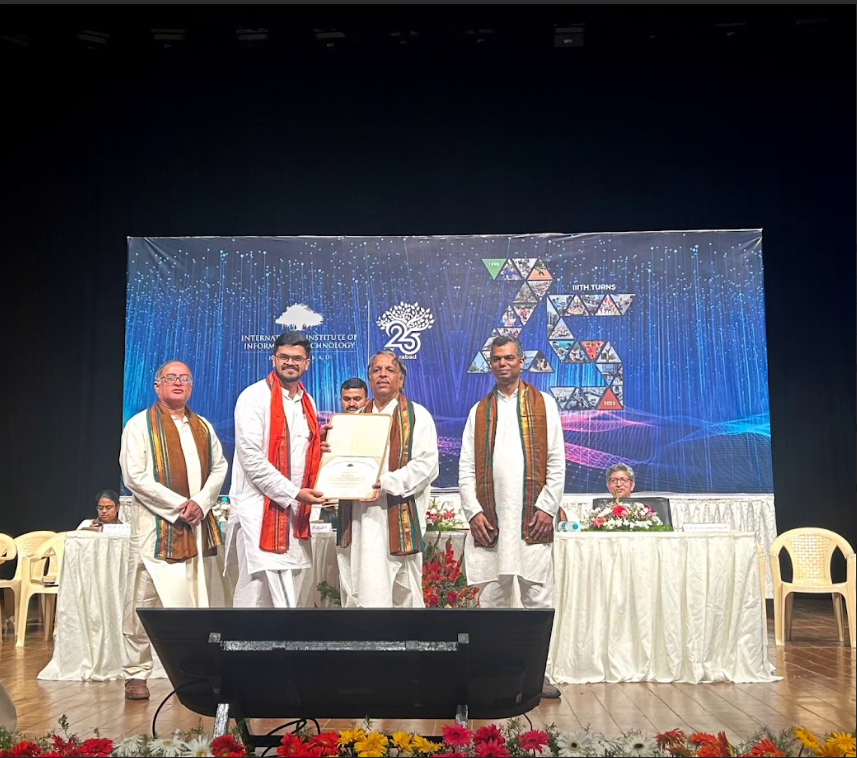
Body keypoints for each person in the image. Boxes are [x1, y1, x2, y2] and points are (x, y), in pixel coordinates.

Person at [459, 336, 565, 699]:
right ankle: (490, 674)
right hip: (491, 522)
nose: (503, 364)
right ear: (490, 365)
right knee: (492, 599)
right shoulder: (479, 411)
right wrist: (473, 512)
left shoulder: (544, 405)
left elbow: (556, 462)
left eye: (509, 358)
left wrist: (546, 507)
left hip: (531, 520)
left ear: (522, 362)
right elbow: (465, 470)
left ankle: (539, 677)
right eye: (496, 359)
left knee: (537, 598)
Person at [120, 361, 228, 701]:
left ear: (192, 386)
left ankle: (194, 672)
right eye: (171, 378)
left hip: (194, 528)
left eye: (185, 378)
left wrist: (201, 501)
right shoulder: (139, 426)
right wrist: (180, 505)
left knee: (194, 602)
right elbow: (135, 477)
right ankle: (135, 674)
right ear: (157, 385)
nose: (178, 383)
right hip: (156, 528)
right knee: (142, 602)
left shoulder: (203, 427)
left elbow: (220, 466)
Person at [229, 332, 325, 608]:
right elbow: (252, 460)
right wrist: (295, 493)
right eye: (284, 357)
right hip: (260, 514)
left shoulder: (307, 402)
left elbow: (302, 453)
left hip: (293, 516)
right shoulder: (254, 398)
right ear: (274, 359)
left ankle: (282, 652)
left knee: (290, 598)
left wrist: (324, 447)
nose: (290, 363)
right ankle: (245, 651)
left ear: (307, 363)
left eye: (297, 358)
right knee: (256, 597)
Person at [335, 350, 439, 607]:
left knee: (404, 594)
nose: (382, 374)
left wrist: (386, 483)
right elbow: (340, 464)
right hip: (359, 518)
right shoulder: (353, 420)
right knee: (360, 588)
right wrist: (330, 453)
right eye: (376, 370)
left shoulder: (417, 416)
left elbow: (427, 466)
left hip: (397, 516)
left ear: (401, 379)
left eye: (389, 370)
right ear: (369, 379)